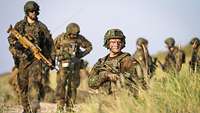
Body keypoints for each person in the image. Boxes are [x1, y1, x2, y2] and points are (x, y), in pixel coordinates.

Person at [7, 1, 54, 113]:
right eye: (31, 11)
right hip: (22, 60)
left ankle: (34, 109)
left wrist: (51, 59)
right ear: (27, 12)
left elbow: (50, 44)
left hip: (36, 60)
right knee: (22, 87)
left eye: (35, 11)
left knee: (34, 85)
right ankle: (26, 109)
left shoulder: (42, 27)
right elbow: (11, 39)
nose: (33, 13)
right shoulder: (19, 25)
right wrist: (18, 45)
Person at [88, 28, 146, 97]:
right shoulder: (101, 62)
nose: (116, 44)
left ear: (122, 43)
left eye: (119, 42)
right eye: (113, 42)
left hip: (122, 101)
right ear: (108, 43)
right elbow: (90, 83)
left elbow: (141, 84)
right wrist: (106, 75)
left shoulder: (129, 60)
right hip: (104, 100)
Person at [54, 22, 92, 112]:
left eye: (76, 34)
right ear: (68, 32)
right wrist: (59, 54)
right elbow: (52, 48)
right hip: (63, 66)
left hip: (75, 66)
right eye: (72, 34)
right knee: (61, 85)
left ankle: (70, 108)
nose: (74, 36)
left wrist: (80, 55)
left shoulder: (79, 38)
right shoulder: (60, 38)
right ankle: (59, 107)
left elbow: (89, 46)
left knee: (73, 86)